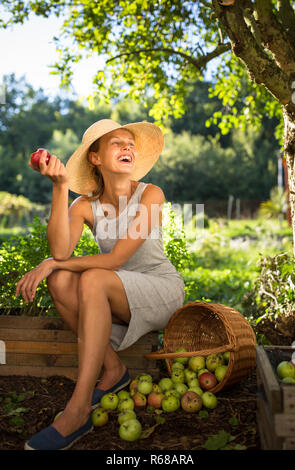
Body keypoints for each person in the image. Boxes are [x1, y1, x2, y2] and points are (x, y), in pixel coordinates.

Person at [15, 119, 186, 450]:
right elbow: (60, 251)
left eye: (130, 143)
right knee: (62, 280)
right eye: (116, 143)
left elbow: (116, 259)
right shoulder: (85, 206)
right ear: (94, 158)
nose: (127, 147)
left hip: (160, 290)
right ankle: (114, 370)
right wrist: (60, 187)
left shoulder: (151, 194)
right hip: (116, 289)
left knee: (86, 276)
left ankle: (78, 410)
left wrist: (51, 264)